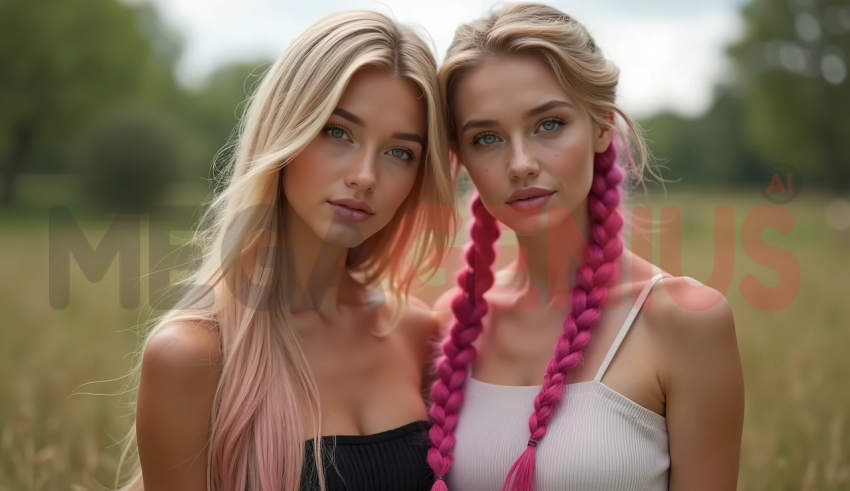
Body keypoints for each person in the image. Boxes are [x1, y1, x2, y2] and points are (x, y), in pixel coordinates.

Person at [116, 10, 456, 491]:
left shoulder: (419, 334)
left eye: (399, 152)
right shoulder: (194, 355)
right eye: (338, 131)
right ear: (286, 134)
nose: (365, 175)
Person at [427, 4, 745, 491]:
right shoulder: (452, 327)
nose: (520, 164)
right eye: (486, 137)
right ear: (461, 159)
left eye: (548, 124)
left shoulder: (684, 320)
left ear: (601, 127)